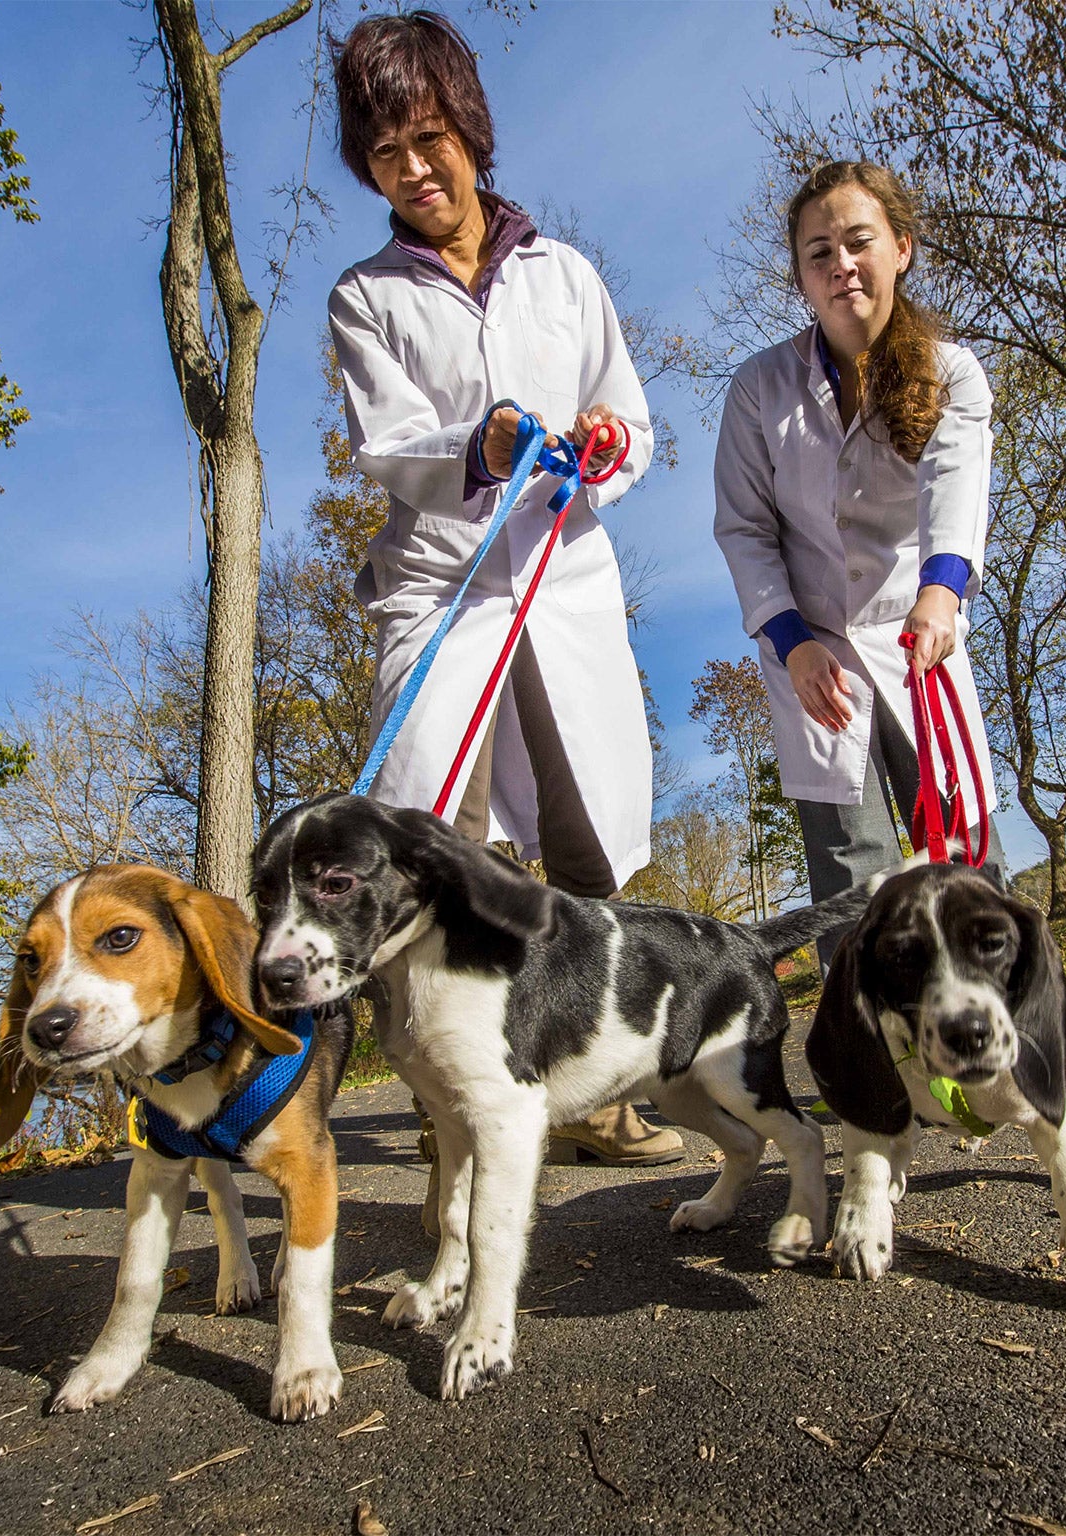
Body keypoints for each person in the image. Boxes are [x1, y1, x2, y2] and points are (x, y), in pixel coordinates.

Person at [325, 10, 683, 1192]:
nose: (414, 169)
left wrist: (600, 442)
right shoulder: (364, 297)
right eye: (386, 153)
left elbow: (630, 420)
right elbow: (388, 448)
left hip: (560, 583)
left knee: (585, 842)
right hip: (440, 591)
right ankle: (450, 1104)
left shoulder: (564, 272)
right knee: (432, 841)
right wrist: (476, 446)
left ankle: (593, 1091)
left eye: (428, 138)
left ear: (470, 132)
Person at [713, 161, 1007, 966]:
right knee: (852, 871)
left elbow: (956, 491)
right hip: (810, 651)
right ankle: (878, 1073)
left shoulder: (953, 373)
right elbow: (744, 529)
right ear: (800, 277)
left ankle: (1019, 1054)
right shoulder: (758, 388)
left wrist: (942, 596)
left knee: (965, 855)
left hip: (919, 636)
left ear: (902, 249)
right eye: (818, 252)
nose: (839, 263)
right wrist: (791, 638)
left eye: (857, 241)